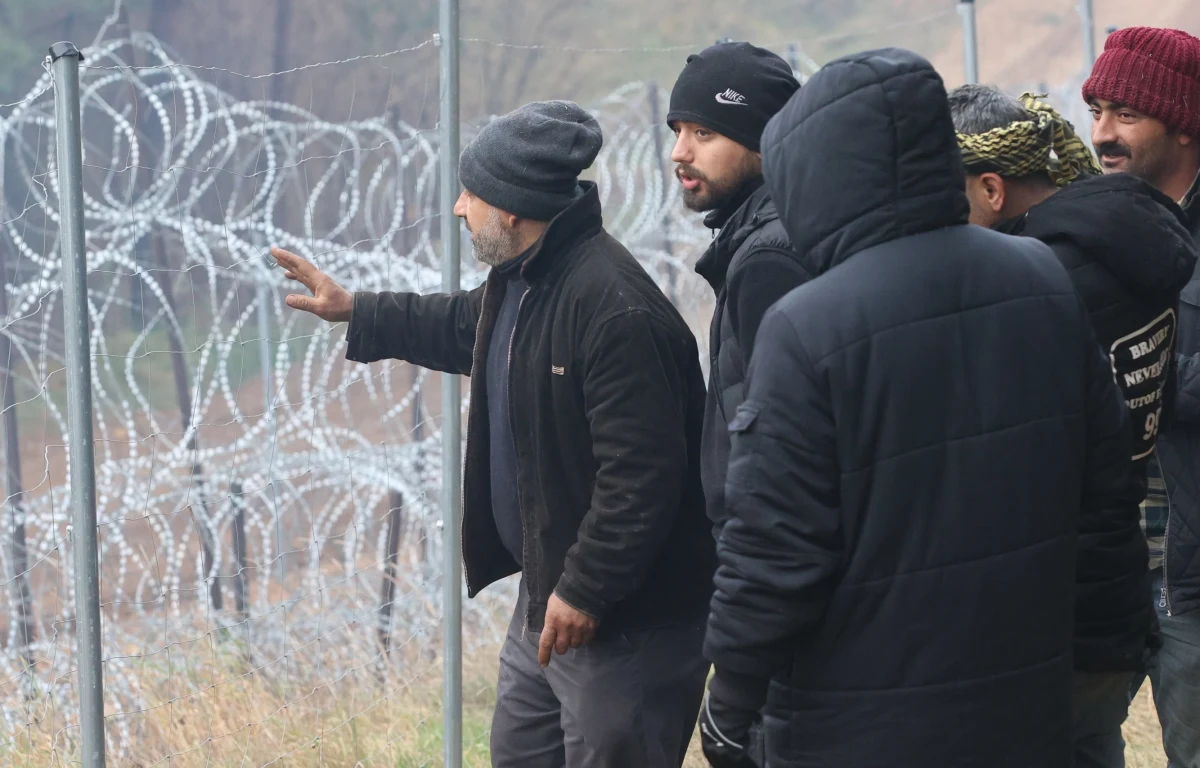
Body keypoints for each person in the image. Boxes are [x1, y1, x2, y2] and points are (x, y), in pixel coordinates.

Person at [698, 47, 1139, 768]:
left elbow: (775, 550)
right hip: (1021, 700)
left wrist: (729, 701)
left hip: (855, 719)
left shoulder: (809, 325)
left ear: (816, 173)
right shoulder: (1039, 277)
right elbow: (1106, 485)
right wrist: (1101, 646)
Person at [273, 100, 715, 768]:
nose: (459, 209)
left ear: (511, 209)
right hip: (551, 599)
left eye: (471, 195)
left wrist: (586, 589)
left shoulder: (612, 310)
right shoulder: (526, 279)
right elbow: (466, 326)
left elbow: (643, 476)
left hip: (625, 623)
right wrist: (356, 311)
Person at [950, 83, 1197, 768]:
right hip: (1112, 579)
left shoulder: (1035, 280)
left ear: (992, 189)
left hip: (1057, 595)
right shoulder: (1116, 242)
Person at [1084, 27, 1200, 768]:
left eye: (1125, 113)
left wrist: (1131, 378)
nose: (1102, 134)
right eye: (1096, 111)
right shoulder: (1089, 226)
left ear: (1183, 123)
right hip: (1108, 562)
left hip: (1190, 576)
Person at [665, 42, 810, 538]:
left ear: (762, 142)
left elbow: (785, 449)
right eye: (678, 131)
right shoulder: (764, 236)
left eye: (703, 132)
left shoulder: (771, 260)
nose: (680, 152)